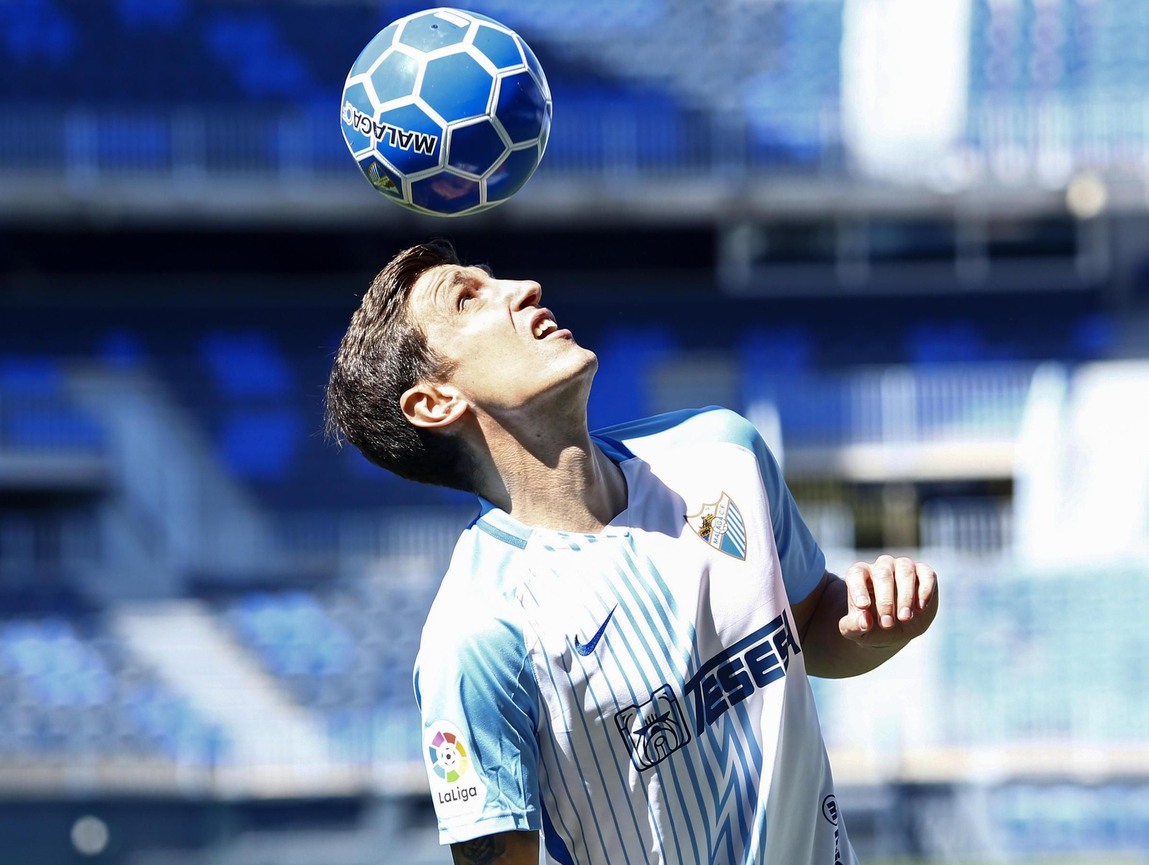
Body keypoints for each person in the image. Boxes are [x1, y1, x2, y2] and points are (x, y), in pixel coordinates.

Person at [324, 241, 938, 865]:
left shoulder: (724, 451)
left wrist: (878, 625)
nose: (526, 286)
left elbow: (808, 628)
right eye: (468, 296)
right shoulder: (478, 634)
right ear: (435, 402)